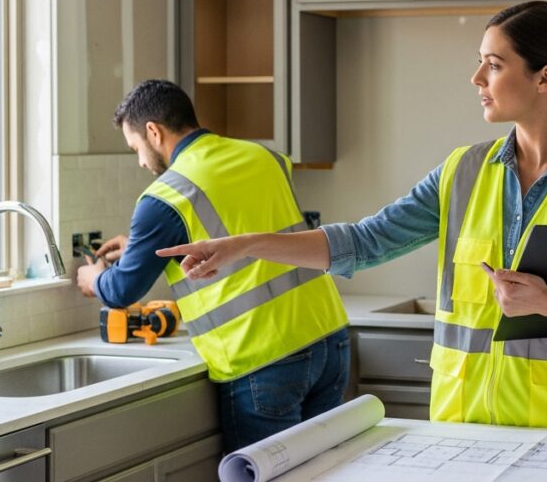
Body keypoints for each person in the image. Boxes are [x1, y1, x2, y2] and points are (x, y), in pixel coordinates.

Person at [158, 0, 547, 433]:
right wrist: (244, 245)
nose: (477, 79)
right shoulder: (463, 171)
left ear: (545, 78)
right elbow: (365, 241)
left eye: (494, 64)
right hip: (463, 434)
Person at [76, 80, 350, 453]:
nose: (140, 161)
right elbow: (240, 228)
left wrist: (94, 278)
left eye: (136, 147)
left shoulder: (164, 196)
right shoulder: (265, 157)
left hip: (262, 359)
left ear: (153, 132)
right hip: (328, 342)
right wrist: (141, 246)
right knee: (324, 473)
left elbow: (123, 290)